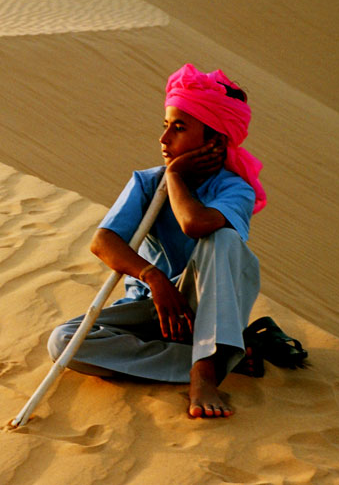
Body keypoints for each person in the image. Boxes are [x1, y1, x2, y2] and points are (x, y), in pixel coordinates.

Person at [47, 63, 267, 418]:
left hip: (210, 305)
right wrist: (153, 277)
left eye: (179, 129)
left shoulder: (234, 189)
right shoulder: (147, 183)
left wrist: (176, 176)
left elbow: (195, 223)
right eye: (165, 127)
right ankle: (221, 358)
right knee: (64, 341)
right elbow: (103, 241)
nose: (164, 140)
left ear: (215, 142)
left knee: (222, 239)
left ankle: (204, 374)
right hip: (157, 306)